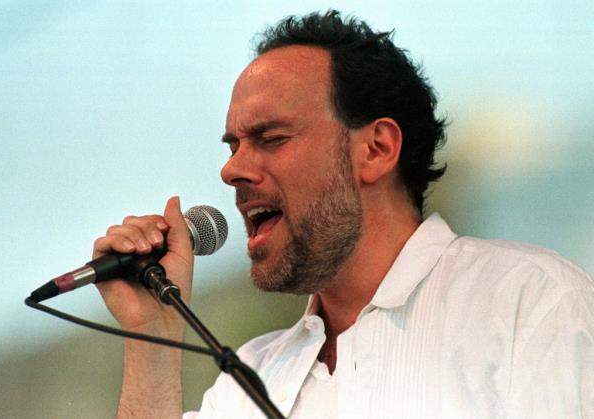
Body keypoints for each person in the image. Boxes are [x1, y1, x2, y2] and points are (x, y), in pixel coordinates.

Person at [93, 10, 594, 419]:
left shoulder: (531, 303)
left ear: (376, 149)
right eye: (233, 146)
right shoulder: (250, 376)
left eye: (271, 138)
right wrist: (153, 335)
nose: (232, 170)